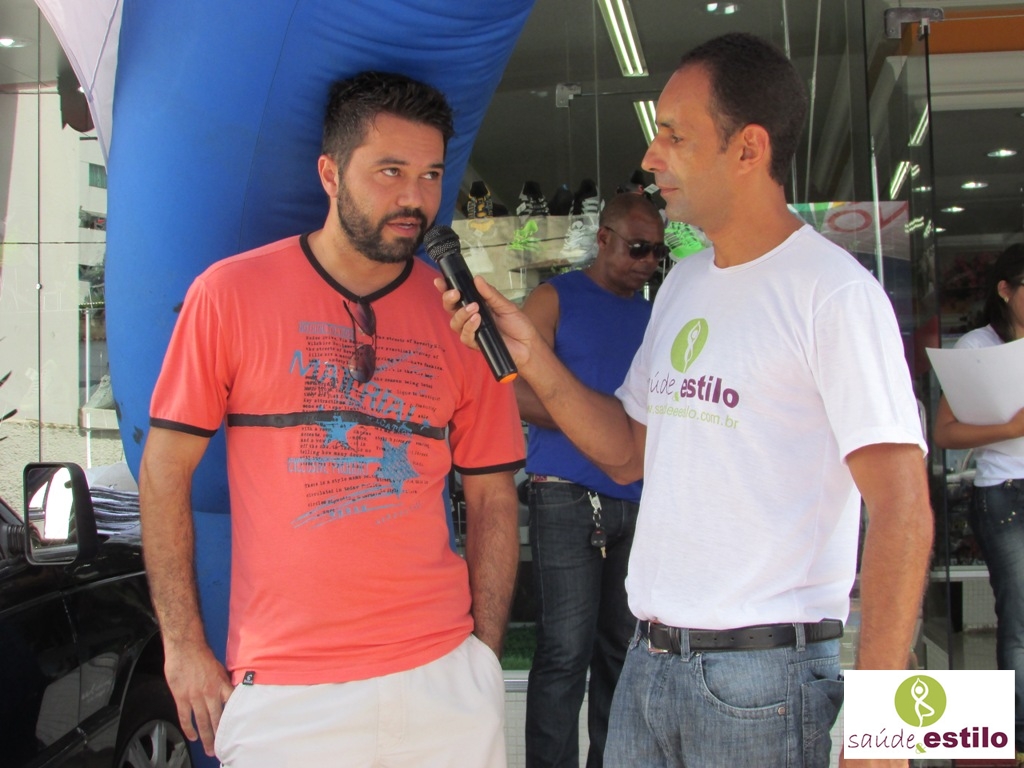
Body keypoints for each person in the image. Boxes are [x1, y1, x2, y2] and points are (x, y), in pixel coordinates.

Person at [441, 32, 933, 768]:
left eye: (675, 134)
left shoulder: (833, 294)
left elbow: (902, 508)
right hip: (649, 664)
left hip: (762, 679)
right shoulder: (684, 285)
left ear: (749, 148)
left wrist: (882, 739)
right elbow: (628, 452)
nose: (651, 155)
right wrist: (532, 358)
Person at [138, 71, 525, 767]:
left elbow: (493, 495)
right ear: (329, 173)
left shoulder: (460, 316)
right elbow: (164, 472)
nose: (414, 198)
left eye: (431, 175)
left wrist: (484, 657)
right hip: (288, 693)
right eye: (390, 171)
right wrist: (184, 646)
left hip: (443, 681)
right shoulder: (230, 295)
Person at [519, 192, 663, 768]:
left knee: (623, 652)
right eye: (638, 248)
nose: (649, 261)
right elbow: (512, 390)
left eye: (657, 252)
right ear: (604, 239)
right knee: (564, 652)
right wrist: (601, 425)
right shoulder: (554, 298)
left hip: (640, 497)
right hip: (564, 493)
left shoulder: (657, 315)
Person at [934, 243, 1024, 763]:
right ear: (1005, 290)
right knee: (1019, 614)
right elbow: (945, 431)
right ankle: (1018, 735)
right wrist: (1010, 429)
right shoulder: (978, 347)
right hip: (1006, 491)